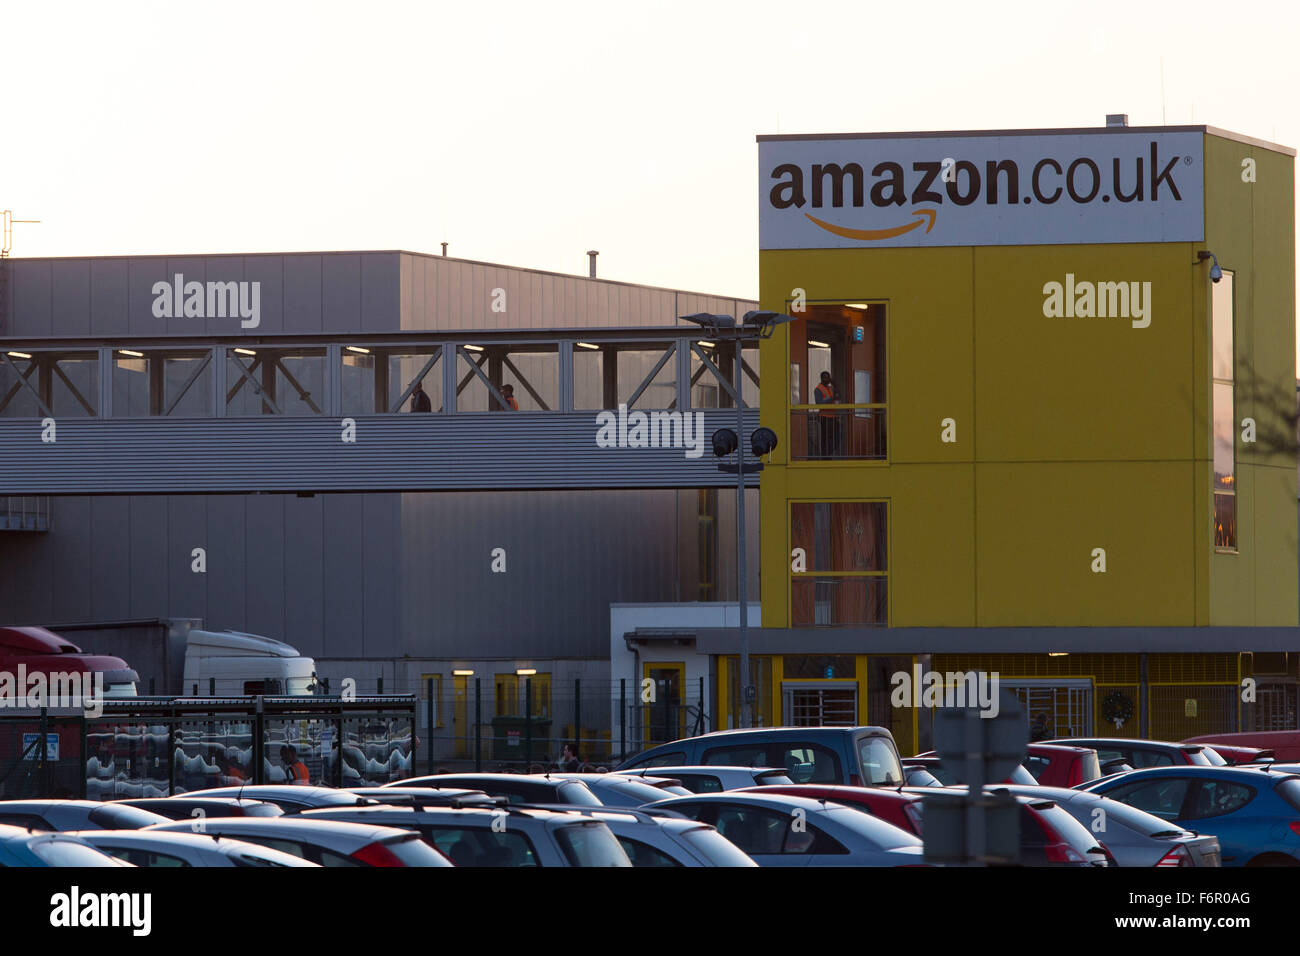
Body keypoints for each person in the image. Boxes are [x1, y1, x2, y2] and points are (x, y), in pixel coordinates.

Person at [814, 371, 839, 457]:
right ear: (821, 378)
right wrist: (831, 398)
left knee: (836, 436)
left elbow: (838, 395)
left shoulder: (830, 388)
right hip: (824, 417)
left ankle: (829, 453)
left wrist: (835, 384)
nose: (827, 379)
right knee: (826, 439)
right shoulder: (818, 389)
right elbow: (819, 403)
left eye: (828, 378)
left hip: (833, 416)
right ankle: (826, 456)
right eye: (825, 377)